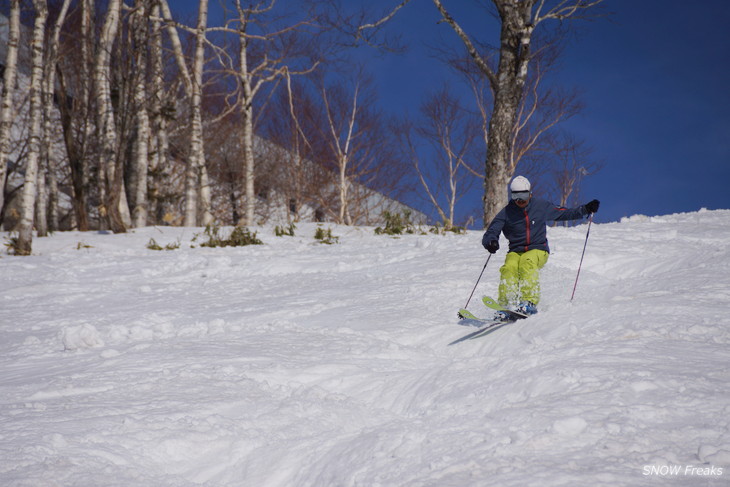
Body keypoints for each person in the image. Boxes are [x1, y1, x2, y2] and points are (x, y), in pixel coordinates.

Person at [481, 175, 599, 318]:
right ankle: (505, 305)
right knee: (509, 268)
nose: (520, 200)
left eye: (523, 195)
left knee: (527, 263)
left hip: (538, 249)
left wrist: (585, 209)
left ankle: (528, 302)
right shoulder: (506, 212)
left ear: (530, 193)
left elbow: (564, 213)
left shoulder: (540, 206)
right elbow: (492, 231)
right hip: (516, 250)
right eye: (516, 196)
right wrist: (491, 241)